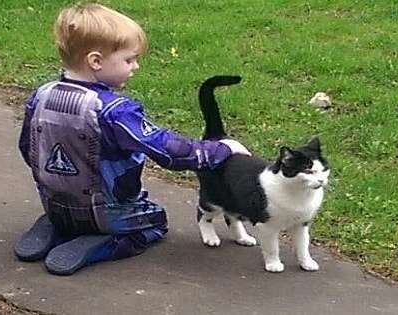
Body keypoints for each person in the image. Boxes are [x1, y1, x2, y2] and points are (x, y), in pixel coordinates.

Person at [14, 3, 250, 275]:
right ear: (95, 61)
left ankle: (59, 225)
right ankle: (101, 244)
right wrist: (220, 150)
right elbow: (169, 152)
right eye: (129, 60)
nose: (135, 66)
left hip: (54, 200)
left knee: (71, 209)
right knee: (156, 221)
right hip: (107, 213)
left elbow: (27, 148)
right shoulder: (114, 111)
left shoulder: (41, 95)